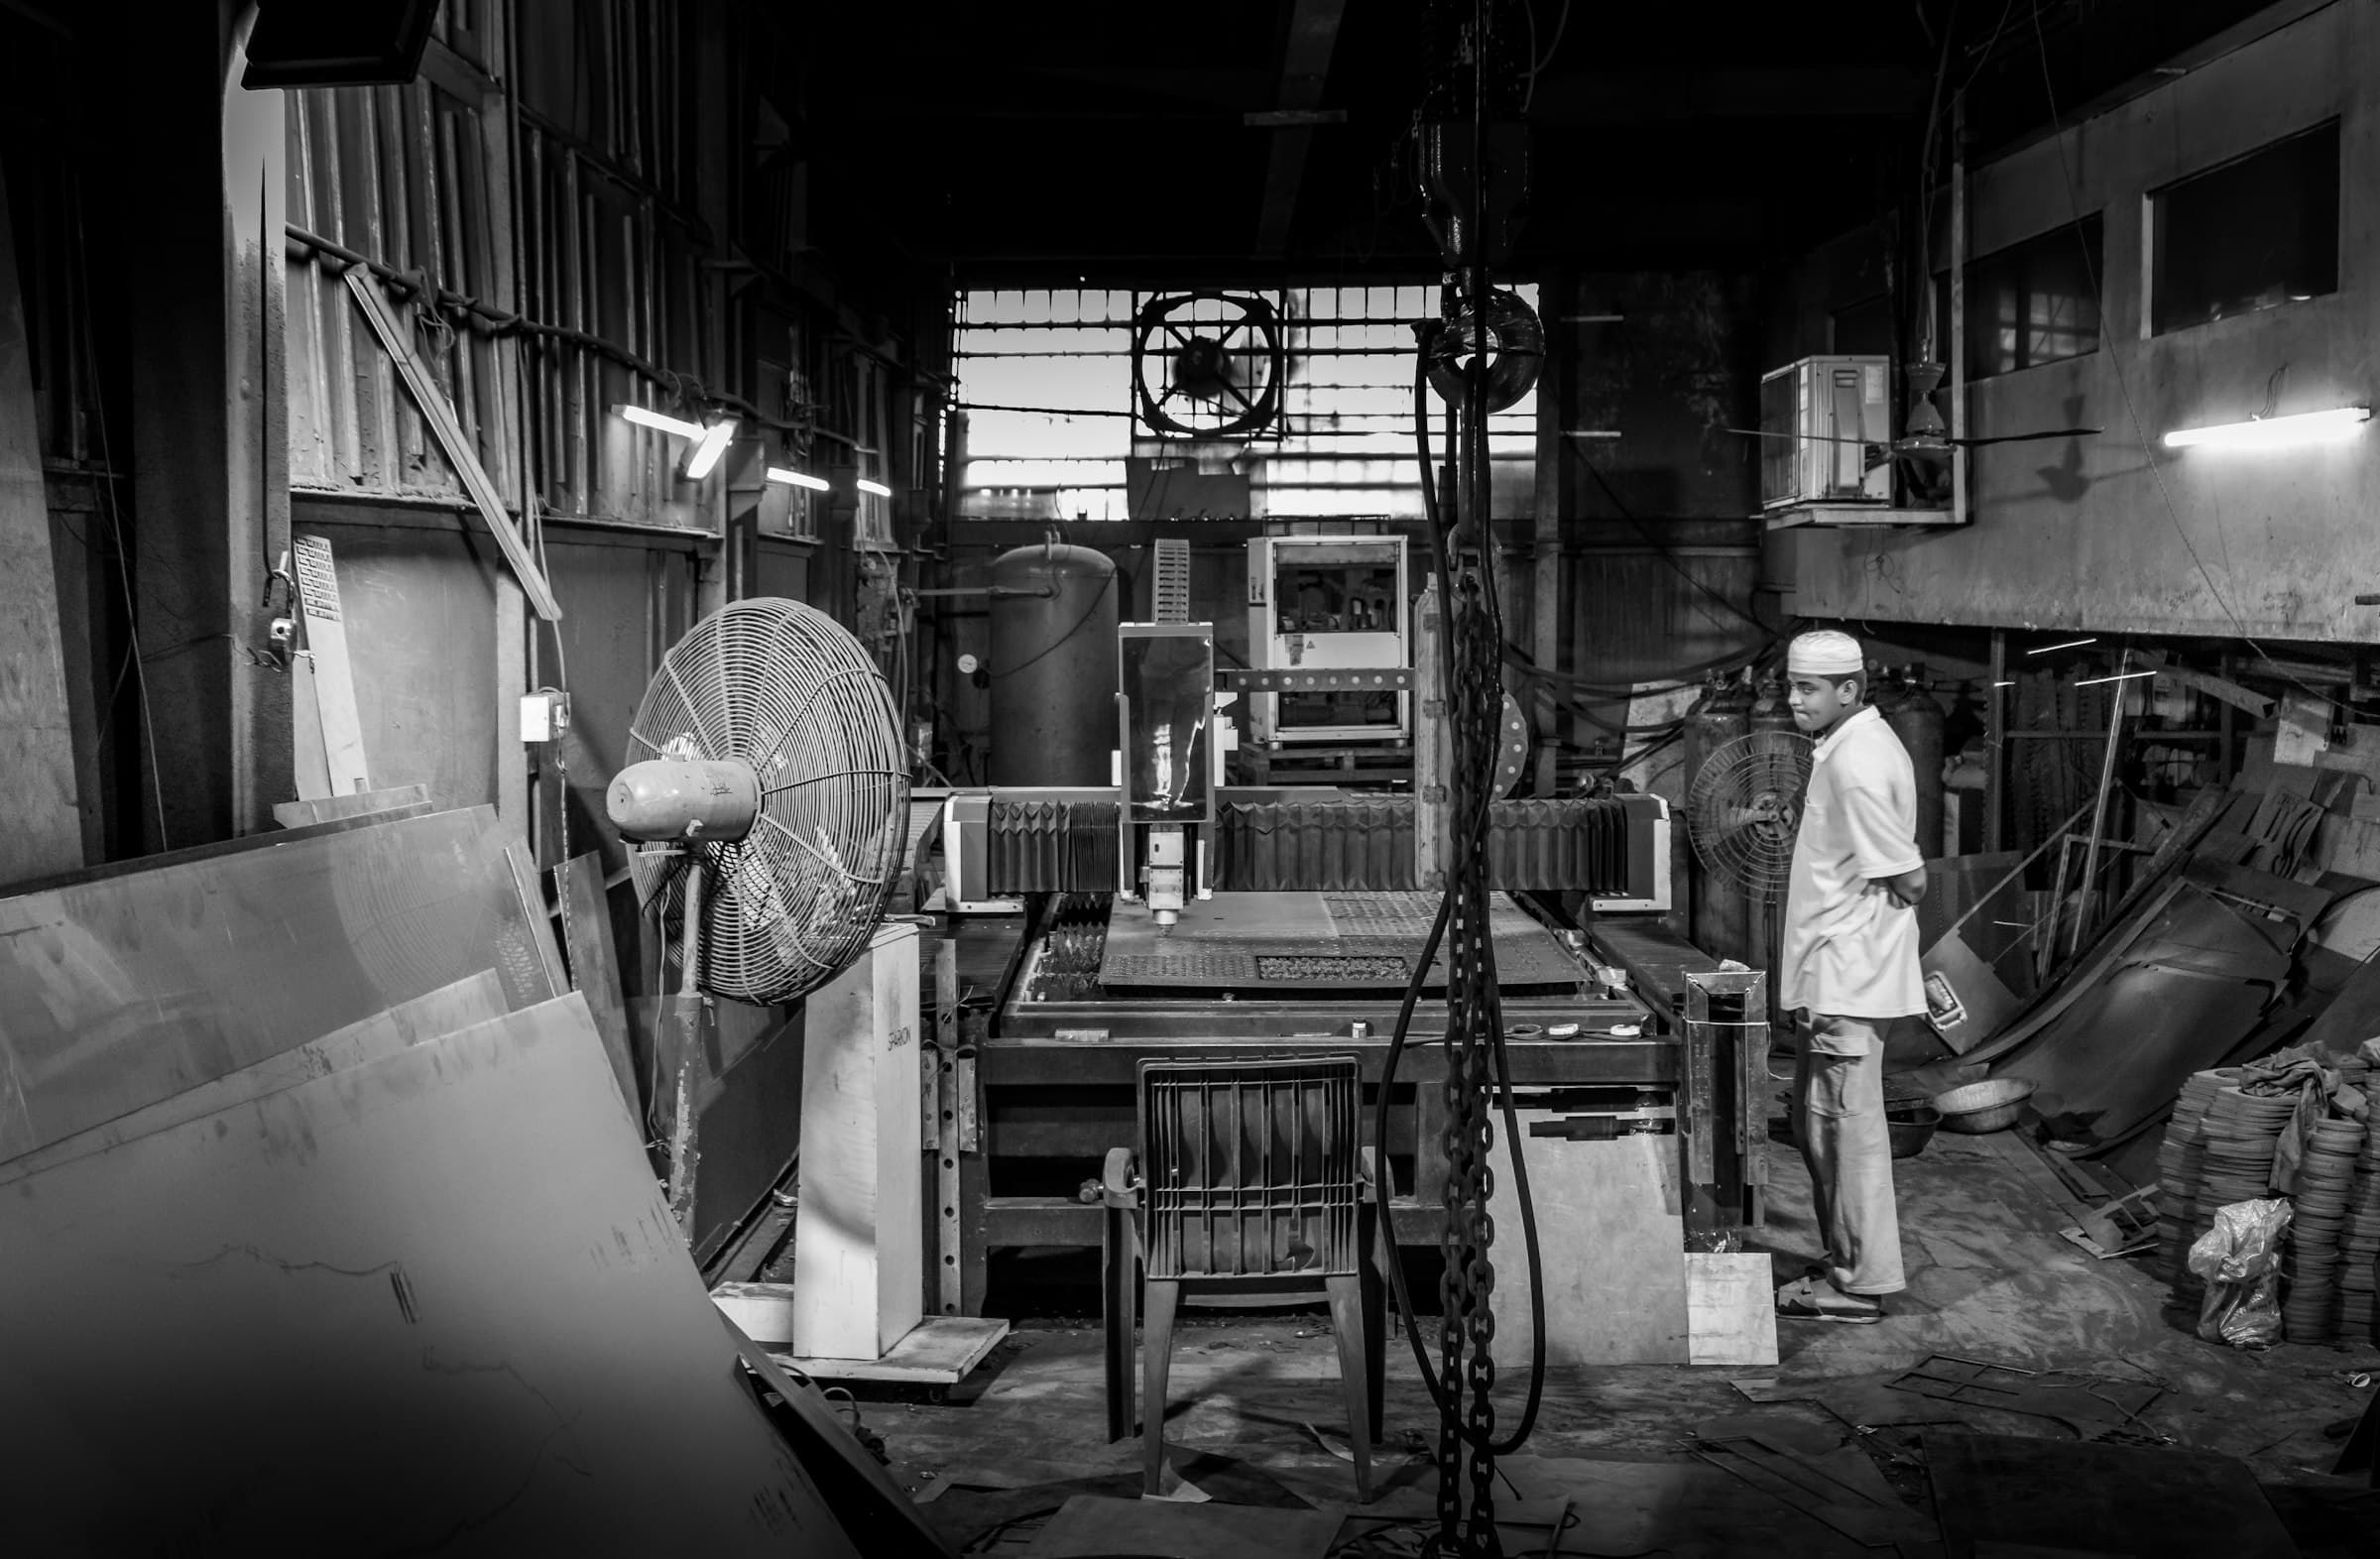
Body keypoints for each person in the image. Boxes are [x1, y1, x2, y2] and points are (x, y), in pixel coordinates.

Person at [1771, 630, 1927, 1325]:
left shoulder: (1859, 760)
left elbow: (1911, 876)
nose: (1793, 698)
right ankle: (1846, 1263)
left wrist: (1862, 914)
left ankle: (1860, 1285)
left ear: (1851, 691)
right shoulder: (1846, 746)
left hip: (1849, 976)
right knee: (1820, 1127)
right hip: (1835, 972)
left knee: (1847, 1135)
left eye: (1807, 688)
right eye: (1792, 685)